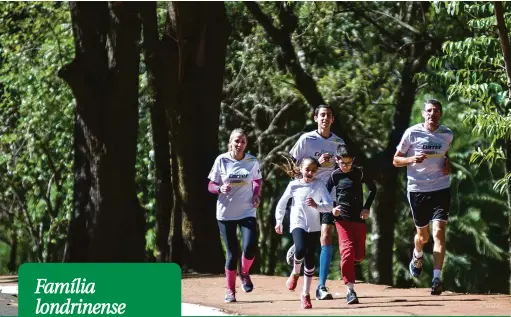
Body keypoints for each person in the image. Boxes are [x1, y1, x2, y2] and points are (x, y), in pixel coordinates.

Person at [393, 99, 453, 295]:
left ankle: (437, 279)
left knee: (439, 233)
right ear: (423, 113)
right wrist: (411, 159)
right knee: (423, 236)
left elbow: (445, 155)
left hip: (441, 188)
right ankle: (417, 255)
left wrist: (447, 164)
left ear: (441, 114)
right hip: (418, 190)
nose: (432, 114)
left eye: (436, 111)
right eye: (429, 110)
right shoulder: (412, 133)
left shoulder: (447, 134)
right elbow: (396, 160)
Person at [285, 104, 345, 300]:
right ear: (315, 118)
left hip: (329, 194)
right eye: (322, 115)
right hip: (308, 195)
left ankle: (321, 286)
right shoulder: (306, 140)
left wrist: (339, 164)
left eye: (328, 115)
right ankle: (297, 257)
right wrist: (316, 163)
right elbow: (291, 165)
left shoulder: (338, 142)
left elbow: (345, 167)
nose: (325, 118)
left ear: (333, 119)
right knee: (308, 243)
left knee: (327, 236)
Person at [208, 128, 263, 303]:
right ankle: (230, 291)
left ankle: (244, 273)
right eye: (236, 141)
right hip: (226, 213)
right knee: (232, 252)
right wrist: (219, 188)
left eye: (243, 142)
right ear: (230, 142)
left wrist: (256, 193)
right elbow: (211, 184)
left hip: (247, 210)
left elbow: (257, 180)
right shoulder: (221, 160)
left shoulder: (252, 161)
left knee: (250, 247)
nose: (240, 145)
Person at [275, 157, 336, 309]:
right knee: (300, 248)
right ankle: (295, 273)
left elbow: (329, 205)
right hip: (297, 223)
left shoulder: (319, 184)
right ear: (301, 168)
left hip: (314, 226)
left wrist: (317, 205)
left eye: (313, 170)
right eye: (307, 169)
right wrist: (279, 221)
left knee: (309, 259)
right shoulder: (293, 185)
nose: (310, 173)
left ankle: (305, 294)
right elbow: (282, 204)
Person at [326, 144, 376, 304]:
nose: (346, 167)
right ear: (337, 160)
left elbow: (373, 189)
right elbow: (325, 193)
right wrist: (333, 208)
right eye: (343, 163)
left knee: (359, 255)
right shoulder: (335, 176)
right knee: (347, 251)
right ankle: (350, 290)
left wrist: (366, 208)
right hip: (342, 220)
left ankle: (351, 262)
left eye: (349, 163)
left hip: (358, 219)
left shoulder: (359, 173)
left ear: (353, 161)